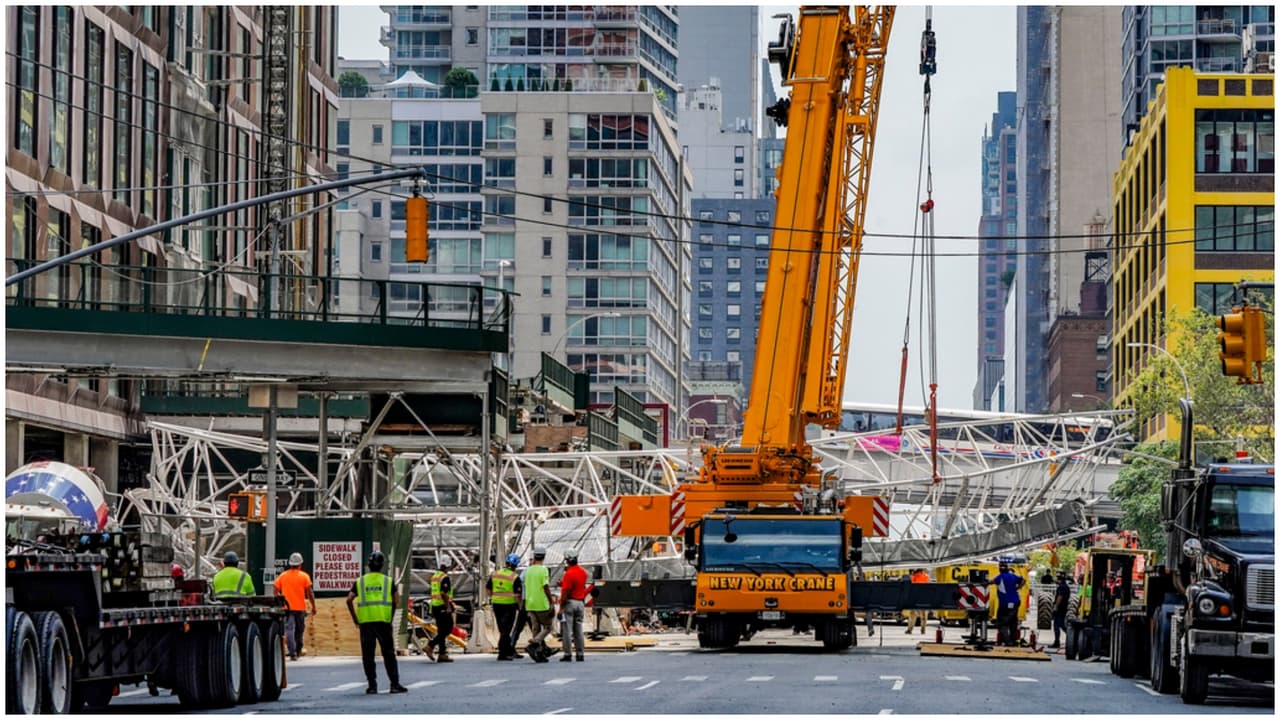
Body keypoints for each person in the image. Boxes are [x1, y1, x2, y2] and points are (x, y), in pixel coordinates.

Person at [346, 550, 407, 695]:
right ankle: (394, 684)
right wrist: (390, 618)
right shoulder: (388, 581)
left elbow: (349, 600)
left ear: (369, 565)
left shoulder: (360, 581)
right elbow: (396, 601)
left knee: (368, 655)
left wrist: (355, 619)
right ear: (382, 565)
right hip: (383, 622)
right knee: (389, 654)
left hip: (366, 622)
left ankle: (372, 686)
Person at [274, 552, 317, 661]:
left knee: (289, 629)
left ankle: (292, 652)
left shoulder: (282, 576)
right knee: (299, 630)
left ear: (290, 564)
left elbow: (275, 591)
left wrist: (281, 601)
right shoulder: (304, 576)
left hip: (287, 609)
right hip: (300, 608)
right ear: (300, 564)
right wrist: (313, 606)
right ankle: (297, 650)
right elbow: (310, 593)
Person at [522, 546, 557, 663]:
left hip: (530, 603)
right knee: (548, 627)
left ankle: (539, 653)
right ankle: (534, 643)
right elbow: (545, 586)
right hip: (541, 603)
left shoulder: (528, 570)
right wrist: (551, 602)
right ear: (544, 557)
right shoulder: (543, 569)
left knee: (536, 628)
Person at [489, 553, 523, 661]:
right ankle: (503, 653)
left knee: (502, 628)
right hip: (509, 606)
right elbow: (518, 595)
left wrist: (494, 597)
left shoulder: (495, 574)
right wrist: (520, 606)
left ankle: (509, 650)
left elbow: (488, 589)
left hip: (496, 605)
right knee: (506, 630)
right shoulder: (514, 577)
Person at [557, 550, 589, 662]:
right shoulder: (583, 572)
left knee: (567, 630)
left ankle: (568, 654)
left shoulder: (568, 574)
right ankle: (580, 653)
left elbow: (566, 591)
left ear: (567, 560)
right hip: (580, 603)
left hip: (569, 603)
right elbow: (578, 585)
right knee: (578, 630)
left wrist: (561, 608)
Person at [428, 555, 457, 663]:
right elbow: (443, 593)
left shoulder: (435, 576)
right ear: (448, 565)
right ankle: (430, 645)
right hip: (442, 606)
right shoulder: (444, 577)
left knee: (441, 630)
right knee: (448, 628)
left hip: (435, 606)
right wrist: (448, 606)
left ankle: (442, 654)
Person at [993, 561, 1025, 647]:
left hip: (1005, 603)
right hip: (1015, 602)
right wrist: (1018, 587)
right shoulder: (1013, 576)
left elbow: (991, 582)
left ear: (1000, 568)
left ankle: (1008, 641)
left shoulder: (1000, 577)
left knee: (1002, 623)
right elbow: (1023, 580)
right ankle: (1013, 640)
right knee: (1013, 622)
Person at [905, 568, 930, 634]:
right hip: (924, 598)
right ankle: (923, 630)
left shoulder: (913, 577)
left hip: (915, 598)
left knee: (912, 615)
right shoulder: (926, 576)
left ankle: (910, 629)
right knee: (924, 615)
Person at [1052, 572, 1071, 649]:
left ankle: (1057, 642)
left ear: (1060, 579)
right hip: (1064, 608)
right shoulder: (1066, 587)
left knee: (1057, 625)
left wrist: (1056, 606)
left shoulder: (1061, 587)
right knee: (1062, 624)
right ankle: (1070, 637)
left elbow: (1060, 597)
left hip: (1060, 608)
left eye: (1057, 578)